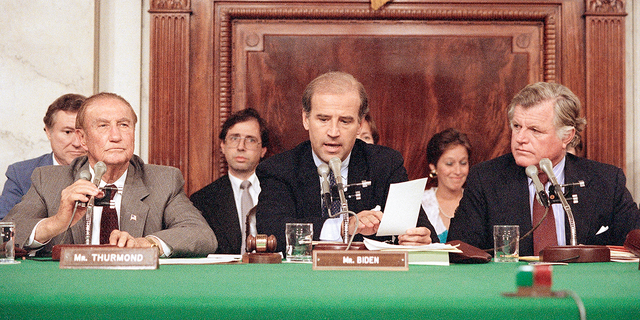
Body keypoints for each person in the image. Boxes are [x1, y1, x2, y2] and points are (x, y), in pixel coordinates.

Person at [3, 92, 217, 257]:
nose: (116, 136)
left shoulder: (163, 181)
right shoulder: (48, 180)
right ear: (83, 138)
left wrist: (145, 243)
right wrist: (57, 223)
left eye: (124, 125)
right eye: (103, 126)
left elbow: (200, 234)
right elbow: (6, 236)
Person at [448, 82, 640, 256]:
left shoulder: (606, 180)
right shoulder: (485, 179)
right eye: (516, 126)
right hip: (512, 289)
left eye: (534, 130)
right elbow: (459, 249)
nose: (520, 138)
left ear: (566, 136)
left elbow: (634, 240)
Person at [255, 71, 437, 252]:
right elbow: (271, 233)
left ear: (359, 125)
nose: (333, 132)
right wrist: (342, 228)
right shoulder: (279, 169)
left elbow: (419, 229)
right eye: (323, 119)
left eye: (345, 121)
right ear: (306, 119)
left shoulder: (384, 164)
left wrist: (419, 239)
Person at [190, 108, 269, 254]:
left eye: (250, 140)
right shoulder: (202, 200)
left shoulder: (278, 193)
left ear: (263, 149)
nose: (241, 147)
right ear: (223, 146)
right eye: (234, 138)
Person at [0, 94, 87, 219]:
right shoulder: (21, 174)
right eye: (67, 132)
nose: (77, 143)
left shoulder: (110, 171)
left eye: (83, 133)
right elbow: (5, 228)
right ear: (48, 132)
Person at [422, 128, 471, 244]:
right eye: (450, 164)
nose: (458, 171)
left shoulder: (476, 201)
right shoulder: (421, 203)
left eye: (463, 163)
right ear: (433, 166)